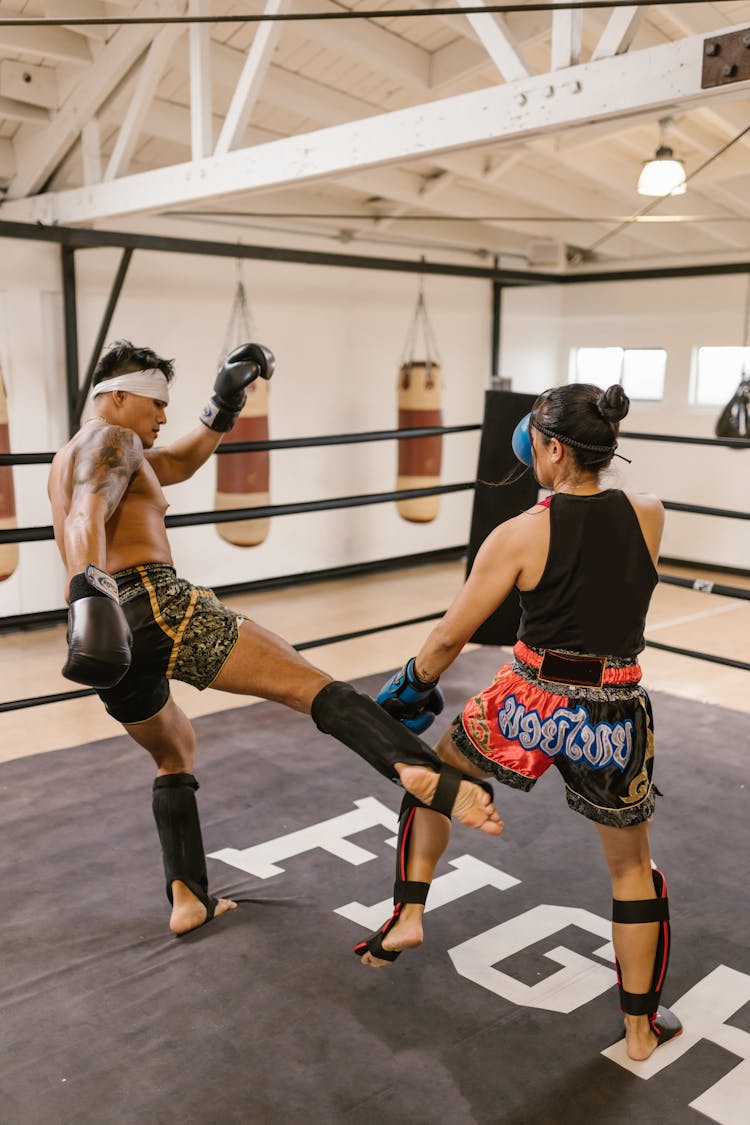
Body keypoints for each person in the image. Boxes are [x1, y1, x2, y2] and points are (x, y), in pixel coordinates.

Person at [47, 340, 502, 936]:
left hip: (115, 637)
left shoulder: (84, 452)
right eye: (156, 403)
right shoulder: (113, 439)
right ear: (118, 395)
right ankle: (419, 771)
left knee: (173, 748)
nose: (162, 416)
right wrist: (91, 593)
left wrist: (222, 405)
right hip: (153, 604)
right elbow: (87, 512)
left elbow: (178, 464)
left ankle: (189, 897)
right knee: (306, 684)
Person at [367, 382, 682, 1063]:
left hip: (529, 700)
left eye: (537, 444)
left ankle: (409, 913)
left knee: (434, 775)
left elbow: (452, 635)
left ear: (555, 448)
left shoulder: (519, 533)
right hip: (616, 712)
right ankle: (638, 1028)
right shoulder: (651, 513)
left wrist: (410, 682)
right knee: (632, 869)